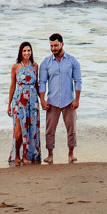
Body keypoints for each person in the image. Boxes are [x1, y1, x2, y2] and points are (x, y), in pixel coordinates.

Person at [38, 32, 81, 163]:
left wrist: (77, 99)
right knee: (50, 130)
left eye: (56, 45)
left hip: (69, 101)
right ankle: (50, 155)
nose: (53, 49)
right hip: (52, 102)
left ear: (62, 44)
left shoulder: (73, 61)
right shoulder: (46, 63)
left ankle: (71, 154)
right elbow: (42, 82)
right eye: (51, 46)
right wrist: (43, 100)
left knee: (71, 129)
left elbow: (77, 81)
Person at [6, 40, 43, 165]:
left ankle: (27, 156)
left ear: (31, 52)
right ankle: (17, 155)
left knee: (31, 129)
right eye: (24, 51)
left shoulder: (35, 66)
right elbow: (12, 86)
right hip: (19, 101)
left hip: (32, 101)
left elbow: (37, 85)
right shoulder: (15, 67)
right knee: (19, 131)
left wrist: (42, 100)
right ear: (21, 52)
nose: (27, 53)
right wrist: (8, 105)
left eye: (28, 50)